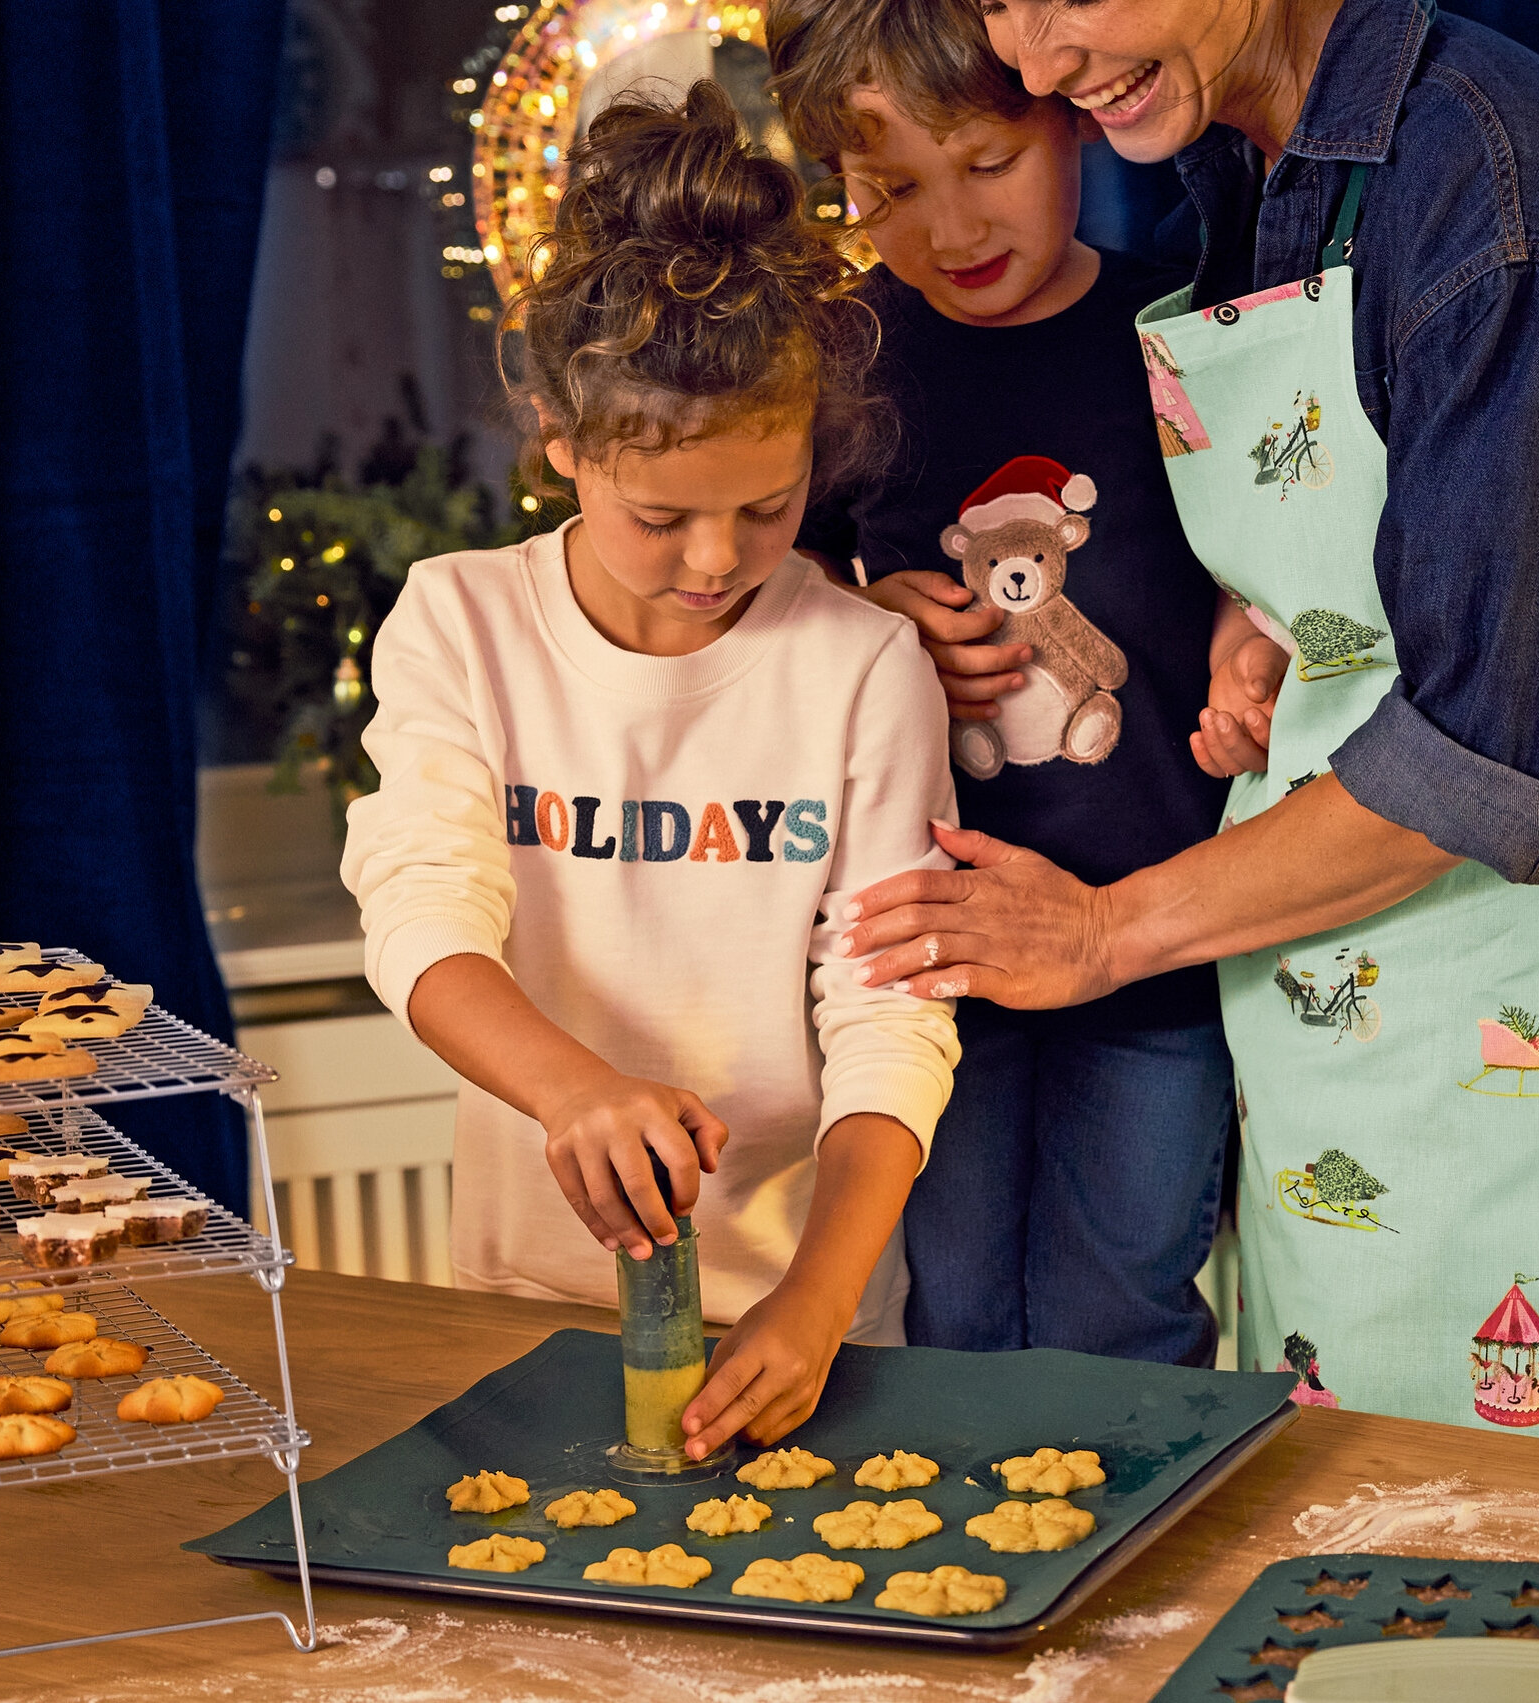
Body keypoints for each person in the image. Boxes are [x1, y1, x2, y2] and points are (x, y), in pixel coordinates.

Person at [842, 0, 1539, 1449]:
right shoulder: (1265, 169)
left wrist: (1102, 934)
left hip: (1494, 1022)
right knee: (1330, 1586)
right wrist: (1263, 619)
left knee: (1493, 1619)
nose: (1038, 58)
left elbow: (1482, 755)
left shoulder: (1481, 192)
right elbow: (1365, 567)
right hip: (1313, 1013)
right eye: (1006, 5)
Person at [340, 83, 960, 1459]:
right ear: (562, 440)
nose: (715, 560)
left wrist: (816, 1299)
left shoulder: (861, 667)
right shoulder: (461, 622)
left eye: (768, 505)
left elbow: (890, 1022)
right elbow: (422, 912)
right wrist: (574, 1091)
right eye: (660, 515)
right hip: (521, 1313)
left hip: (806, 1327)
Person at [768, 0, 1234, 1366]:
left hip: (1154, 946)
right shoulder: (840, 360)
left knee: (1125, 1313)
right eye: (891, 190)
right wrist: (862, 612)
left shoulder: (1179, 327)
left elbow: (1280, 548)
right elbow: (757, 613)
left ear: (1072, 115)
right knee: (957, 1313)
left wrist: (1249, 633)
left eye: (986, 162)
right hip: (927, 962)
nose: (953, 228)